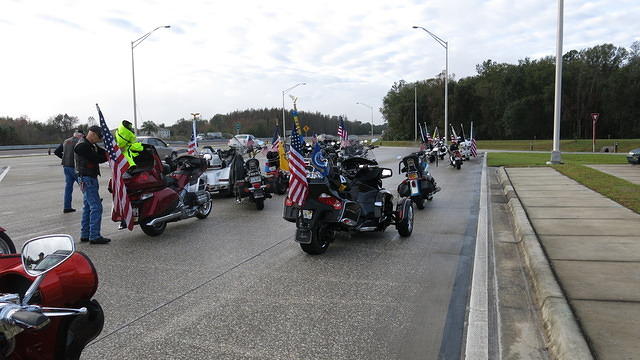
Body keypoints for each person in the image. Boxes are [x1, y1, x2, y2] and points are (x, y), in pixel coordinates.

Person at [74, 126, 110, 244]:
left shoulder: (90, 144)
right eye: (99, 137)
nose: (99, 140)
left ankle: (85, 234)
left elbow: (102, 153)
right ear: (93, 134)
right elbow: (96, 158)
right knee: (96, 207)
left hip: (88, 178)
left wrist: (110, 152)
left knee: (88, 207)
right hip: (87, 178)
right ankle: (94, 236)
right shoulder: (82, 146)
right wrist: (108, 157)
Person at [53, 129, 83, 213]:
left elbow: (56, 152)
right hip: (74, 167)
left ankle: (67, 207)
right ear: (80, 135)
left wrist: (64, 158)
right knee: (84, 185)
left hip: (66, 166)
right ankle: (92, 201)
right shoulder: (79, 141)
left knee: (68, 188)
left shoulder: (66, 141)